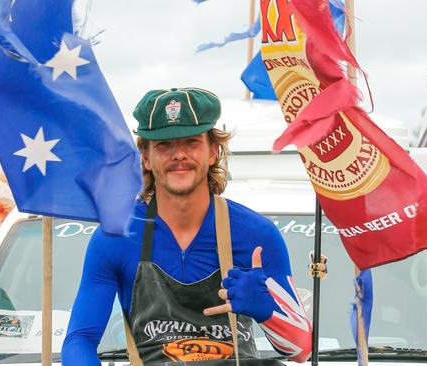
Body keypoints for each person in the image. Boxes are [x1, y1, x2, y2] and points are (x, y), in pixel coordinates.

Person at [62, 87, 312, 365]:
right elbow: (80, 340)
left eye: (191, 142)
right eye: (164, 145)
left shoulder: (257, 236)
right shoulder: (117, 236)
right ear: (145, 156)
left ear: (213, 151)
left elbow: (301, 350)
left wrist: (266, 310)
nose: (179, 154)